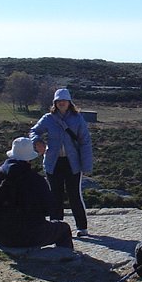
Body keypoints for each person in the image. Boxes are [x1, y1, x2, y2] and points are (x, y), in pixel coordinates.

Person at [0, 137, 74, 250]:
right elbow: (48, 208)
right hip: (30, 235)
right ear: (30, 157)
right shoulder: (36, 179)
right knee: (64, 229)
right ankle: (66, 257)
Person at [29, 88, 93, 237]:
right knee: (55, 196)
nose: (61, 103)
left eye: (64, 100)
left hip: (72, 163)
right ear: (55, 103)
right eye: (58, 101)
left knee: (74, 195)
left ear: (69, 102)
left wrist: (86, 165)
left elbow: (85, 142)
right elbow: (34, 131)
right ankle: (56, 227)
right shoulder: (48, 118)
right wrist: (37, 141)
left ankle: (82, 227)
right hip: (53, 163)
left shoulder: (78, 119)